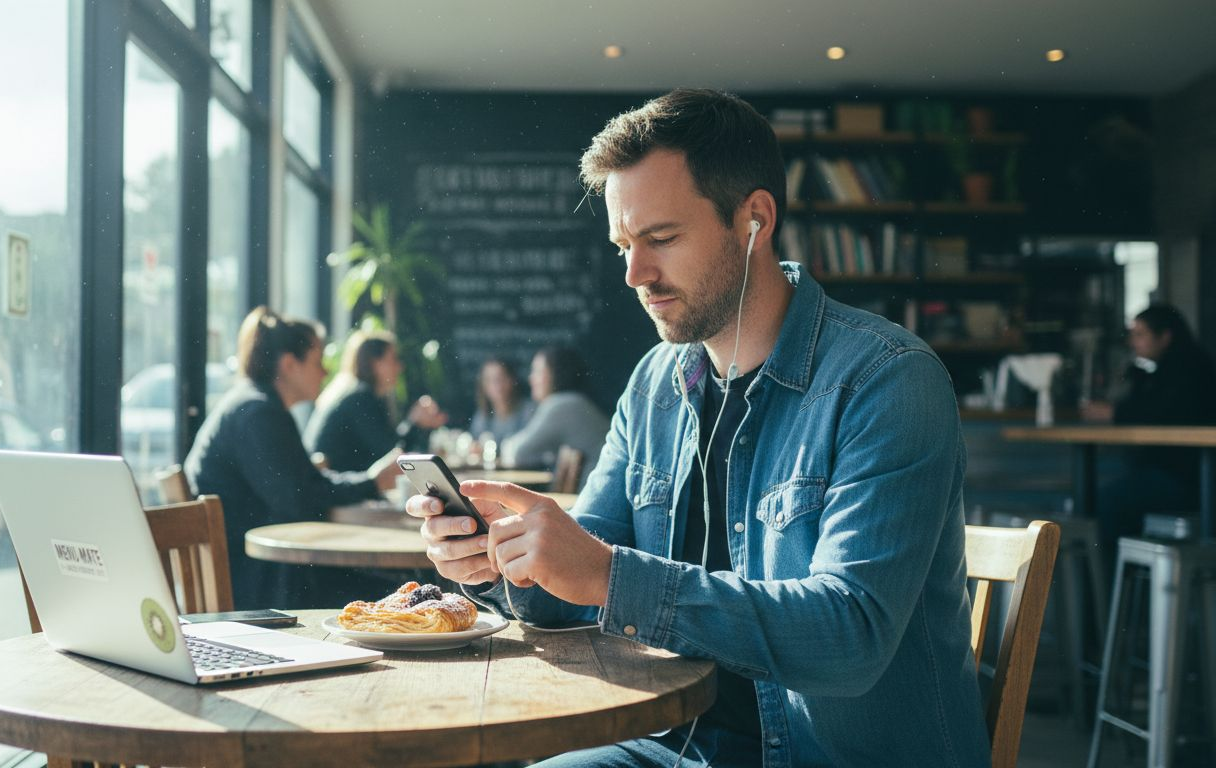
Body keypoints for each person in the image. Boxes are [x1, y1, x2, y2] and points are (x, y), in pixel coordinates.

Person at [408, 89, 991, 767]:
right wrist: (502, 562)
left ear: (755, 219)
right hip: (674, 747)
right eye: (624, 244)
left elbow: (851, 637)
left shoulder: (887, 379)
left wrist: (604, 574)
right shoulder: (656, 383)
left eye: (660, 239)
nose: (634, 274)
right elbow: (584, 584)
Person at [185, 307, 400, 610]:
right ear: (288, 365)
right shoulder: (259, 414)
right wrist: (371, 482)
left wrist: (368, 482)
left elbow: (304, 487)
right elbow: (302, 499)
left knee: (398, 589)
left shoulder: (251, 405)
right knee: (405, 592)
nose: (325, 372)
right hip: (263, 586)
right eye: (317, 362)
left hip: (261, 574)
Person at [1081, 304, 1216, 562]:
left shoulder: (1188, 368)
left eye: (1140, 334)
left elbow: (1160, 414)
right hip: (1178, 475)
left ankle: (1105, 597)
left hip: (1189, 481)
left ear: (1164, 336)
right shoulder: (1171, 367)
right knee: (1106, 499)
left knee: (1105, 502)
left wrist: (1113, 413)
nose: (1133, 341)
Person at [303, 329, 447, 472]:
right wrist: (415, 422)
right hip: (336, 486)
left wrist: (416, 423)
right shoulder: (360, 399)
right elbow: (390, 455)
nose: (400, 367)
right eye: (393, 359)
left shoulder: (352, 392)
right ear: (375, 364)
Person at [499, 346, 609, 483]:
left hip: (592, 493)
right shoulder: (575, 401)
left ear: (556, 374)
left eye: (538, 372)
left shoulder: (561, 405)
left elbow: (517, 453)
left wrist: (504, 445)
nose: (531, 379)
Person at [469, 357, 535, 443]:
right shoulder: (483, 416)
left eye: (500, 378)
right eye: (489, 380)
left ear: (512, 380)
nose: (496, 386)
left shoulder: (529, 411)